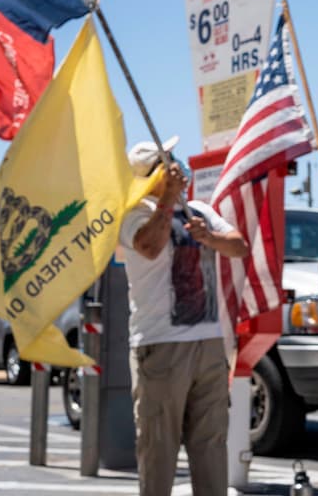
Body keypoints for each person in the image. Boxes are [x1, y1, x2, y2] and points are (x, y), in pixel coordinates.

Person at [117, 137, 249, 496]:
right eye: (166, 162)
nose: (177, 165)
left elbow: (239, 246)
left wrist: (210, 238)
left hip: (207, 344)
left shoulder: (199, 211)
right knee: (159, 448)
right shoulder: (135, 215)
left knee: (210, 446)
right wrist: (166, 198)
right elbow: (149, 245)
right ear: (151, 176)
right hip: (161, 345)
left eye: (174, 158)